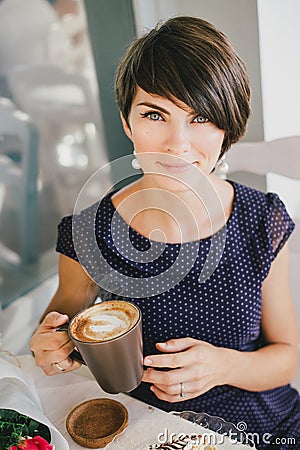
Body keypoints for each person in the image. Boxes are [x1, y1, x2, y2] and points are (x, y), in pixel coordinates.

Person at [30, 16, 300, 449]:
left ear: (227, 127)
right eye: (155, 114)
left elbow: (285, 358)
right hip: (149, 430)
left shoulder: (260, 219)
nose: (177, 144)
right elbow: (62, 336)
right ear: (126, 121)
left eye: (202, 118)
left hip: (266, 428)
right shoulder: (90, 233)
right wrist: (51, 349)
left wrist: (221, 367)